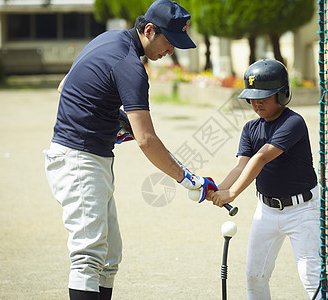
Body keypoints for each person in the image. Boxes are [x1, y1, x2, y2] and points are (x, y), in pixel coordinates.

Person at [44, 1, 216, 299]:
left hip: (88, 158)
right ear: (149, 29)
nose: (170, 51)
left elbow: (65, 86)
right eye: (169, 42)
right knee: (89, 257)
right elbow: (147, 140)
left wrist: (115, 120)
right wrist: (188, 179)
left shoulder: (107, 39)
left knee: (109, 258)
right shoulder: (131, 65)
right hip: (79, 160)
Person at [208, 59, 320, 299]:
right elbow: (241, 166)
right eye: (252, 96)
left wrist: (232, 194)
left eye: (264, 96)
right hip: (267, 211)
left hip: (302, 211)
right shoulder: (250, 128)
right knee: (255, 276)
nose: (256, 102)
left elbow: (260, 159)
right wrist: (217, 188)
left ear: (282, 94)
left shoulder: (293, 122)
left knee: (312, 280)